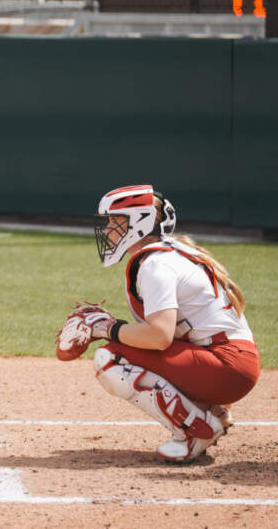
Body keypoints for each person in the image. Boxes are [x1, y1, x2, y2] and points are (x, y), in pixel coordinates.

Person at [68, 184, 259, 463]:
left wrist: (107, 328)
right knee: (129, 348)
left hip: (227, 367)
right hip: (231, 362)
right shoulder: (170, 252)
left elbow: (159, 337)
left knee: (111, 358)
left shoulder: (156, 265)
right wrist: (112, 326)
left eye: (114, 222)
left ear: (138, 223)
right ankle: (212, 412)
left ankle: (196, 430)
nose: (107, 230)